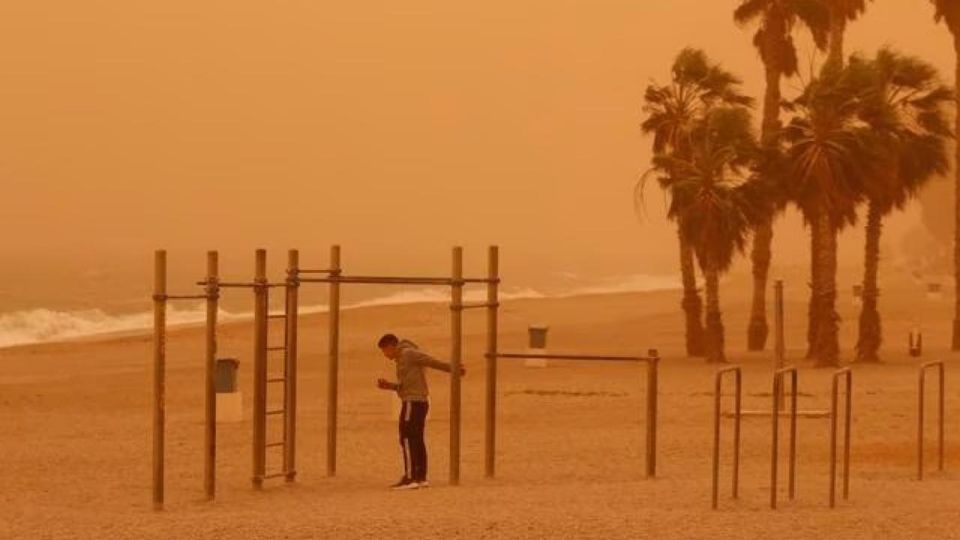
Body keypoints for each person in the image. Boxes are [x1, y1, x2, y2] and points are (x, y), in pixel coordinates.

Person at [376, 333, 466, 490]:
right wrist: (389, 386)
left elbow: (430, 361)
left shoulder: (408, 354)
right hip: (416, 401)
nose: (385, 355)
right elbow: (405, 385)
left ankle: (411, 478)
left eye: (385, 351)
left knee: (406, 437)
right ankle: (421, 477)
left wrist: (453, 368)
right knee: (416, 438)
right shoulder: (402, 358)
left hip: (413, 402)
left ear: (391, 346)